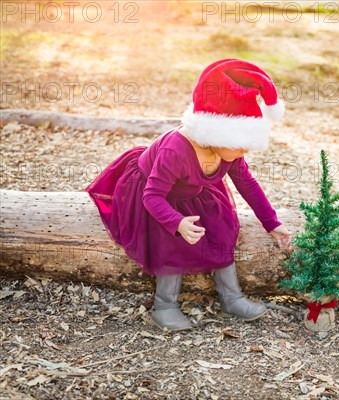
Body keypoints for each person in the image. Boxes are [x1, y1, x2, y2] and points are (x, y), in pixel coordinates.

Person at [84, 59, 293, 331]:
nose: (246, 153)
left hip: (192, 191)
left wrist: (272, 222)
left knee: (223, 226)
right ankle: (165, 304)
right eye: (242, 147)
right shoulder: (176, 150)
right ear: (218, 136)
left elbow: (248, 185)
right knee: (169, 239)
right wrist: (176, 222)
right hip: (154, 194)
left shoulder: (228, 150)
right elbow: (152, 196)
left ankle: (231, 297)